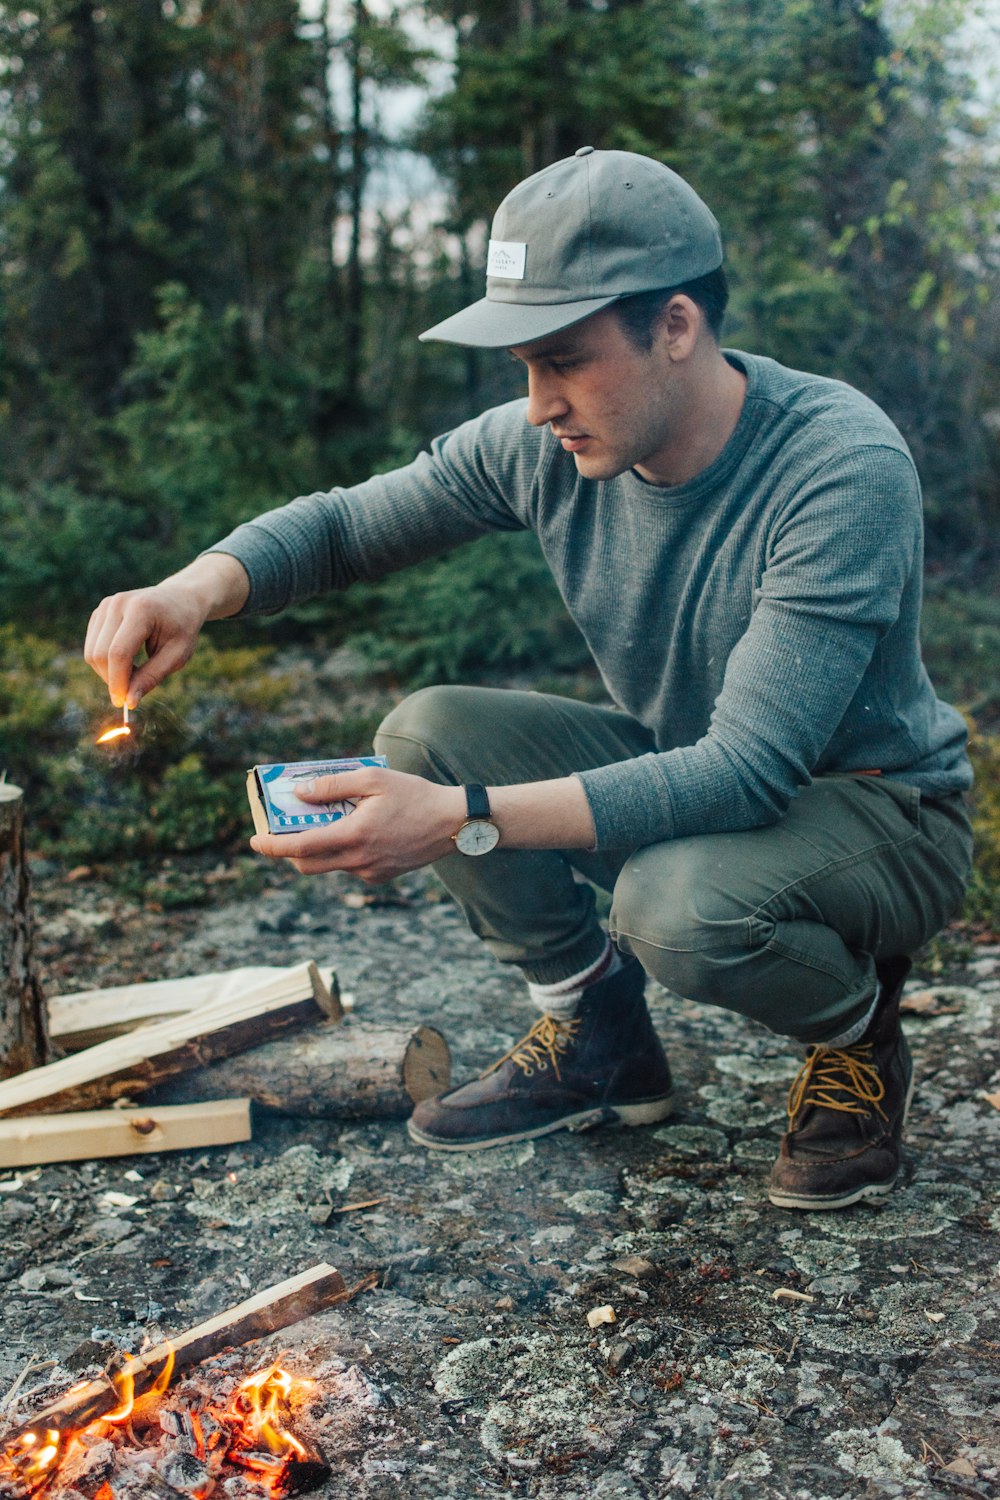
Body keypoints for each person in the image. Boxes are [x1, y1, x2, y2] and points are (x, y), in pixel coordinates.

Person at [85, 147, 974, 1212]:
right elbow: (345, 527)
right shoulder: (544, 442)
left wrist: (458, 819)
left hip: (880, 815)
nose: (539, 402)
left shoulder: (837, 465)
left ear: (676, 327)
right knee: (427, 730)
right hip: (693, 777)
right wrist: (193, 590)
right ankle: (600, 1036)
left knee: (673, 908)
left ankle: (859, 1033)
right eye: (522, 366)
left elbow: (746, 773)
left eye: (563, 358)